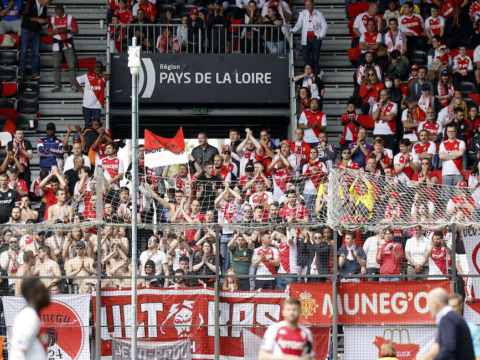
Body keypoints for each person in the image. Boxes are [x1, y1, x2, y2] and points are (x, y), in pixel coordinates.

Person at [422, 288, 474, 360]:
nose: (429, 308)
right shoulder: (453, 317)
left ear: (435, 304)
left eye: (430, 304)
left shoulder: (447, 319)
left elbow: (449, 347)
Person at [10, 279, 50, 359]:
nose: (48, 294)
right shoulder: (27, 318)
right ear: (33, 294)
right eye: (43, 291)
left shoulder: (33, 316)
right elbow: (18, 353)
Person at [47, 4, 79, 92]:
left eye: (61, 13)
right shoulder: (52, 19)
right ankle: (57, 85)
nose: (60, 15)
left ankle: (73, 86)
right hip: (56, 45)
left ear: (63, 11)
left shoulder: (70, 18)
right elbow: (48, 33)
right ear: (55, 12)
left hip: (68, 44)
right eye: (58, 13)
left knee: (72, 65)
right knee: (56, 66)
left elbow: (76, 31)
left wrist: (68, 30)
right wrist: (54, 32)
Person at [290, 0, 327, 75]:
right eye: (306, 5)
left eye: (309, 5)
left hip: (316, 38)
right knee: (305, 57)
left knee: (315, 58)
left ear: (313, 4)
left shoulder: (319, 14)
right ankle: (317, 72)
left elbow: (325, 26)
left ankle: (314, 75)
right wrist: (293, 31)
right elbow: (299, 24)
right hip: (306, 38)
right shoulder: (303, 13)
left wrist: (321, 35)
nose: (308, 7)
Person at [18, 0, 51, 80]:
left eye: (49, 2)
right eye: (47, 2)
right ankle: (21, 72)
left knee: (36, 53)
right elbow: (24, 16)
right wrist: (37, 20)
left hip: (36, 31)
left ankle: (35, 73)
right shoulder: (30, 2)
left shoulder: (44, 7)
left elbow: (41, 19)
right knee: (23, 52)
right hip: (26, 30)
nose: (48, 4)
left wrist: (44, 21)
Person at [73, 61, 111, 128]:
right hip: (86, 106)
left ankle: (96, 138)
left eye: (100, 67)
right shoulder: (87, 76)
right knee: (87, 124)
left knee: (97, 125)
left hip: (97, 106)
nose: (98, 68)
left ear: (102, 68)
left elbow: (109, 76)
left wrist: (100, 75)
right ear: (94, 68)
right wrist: (81, 90)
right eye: (97, 66)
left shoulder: (103, 78)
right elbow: (74, 80)